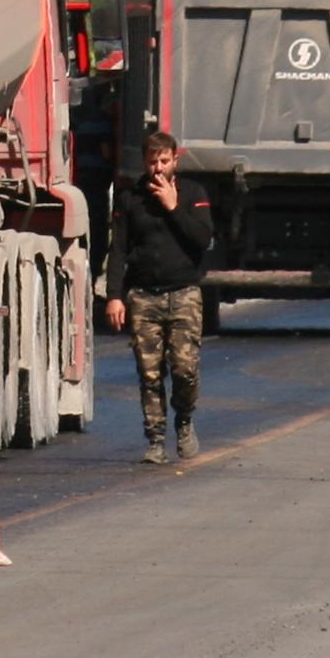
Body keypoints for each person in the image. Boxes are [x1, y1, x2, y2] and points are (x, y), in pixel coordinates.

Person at [105, 130, 214, 466]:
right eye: (152, 162)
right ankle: (155, 438)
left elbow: (202, 239)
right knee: (150, 373)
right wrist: (114, 296)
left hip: (183, 294)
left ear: (174, 161)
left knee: (184, 369)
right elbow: (119, 248)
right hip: (144, 297)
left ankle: (184, 420)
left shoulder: (193, 193)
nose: (157, 168)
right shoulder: (131, 198)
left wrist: (173, 206)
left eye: (164, 161)